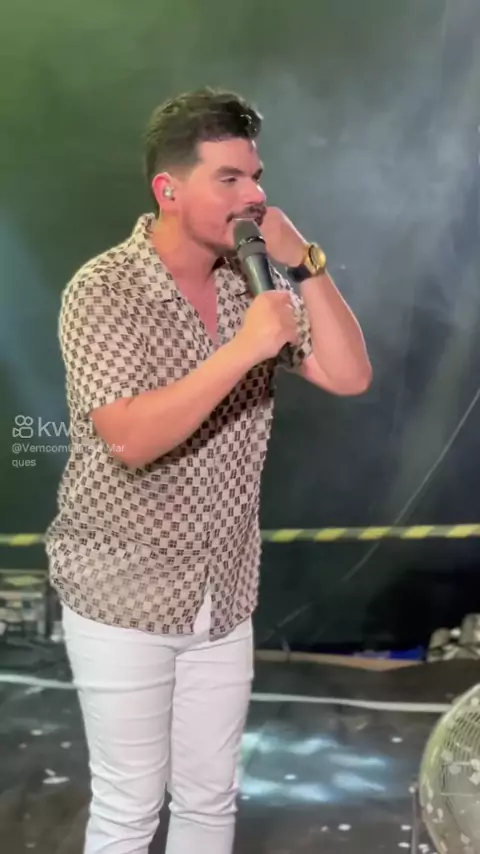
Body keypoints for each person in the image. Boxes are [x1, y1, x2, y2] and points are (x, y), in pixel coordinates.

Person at [45, 87, 372, 854]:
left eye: (255, 176)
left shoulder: (249, 281)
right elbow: (129, 438)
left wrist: (305, 264)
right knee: (130, 807)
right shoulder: (104, 289)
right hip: (122, 594)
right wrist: (246, 348)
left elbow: (350, 374)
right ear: (169, 189)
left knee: (210, 798)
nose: (253, 194)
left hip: (222, 594)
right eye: (229, 178)